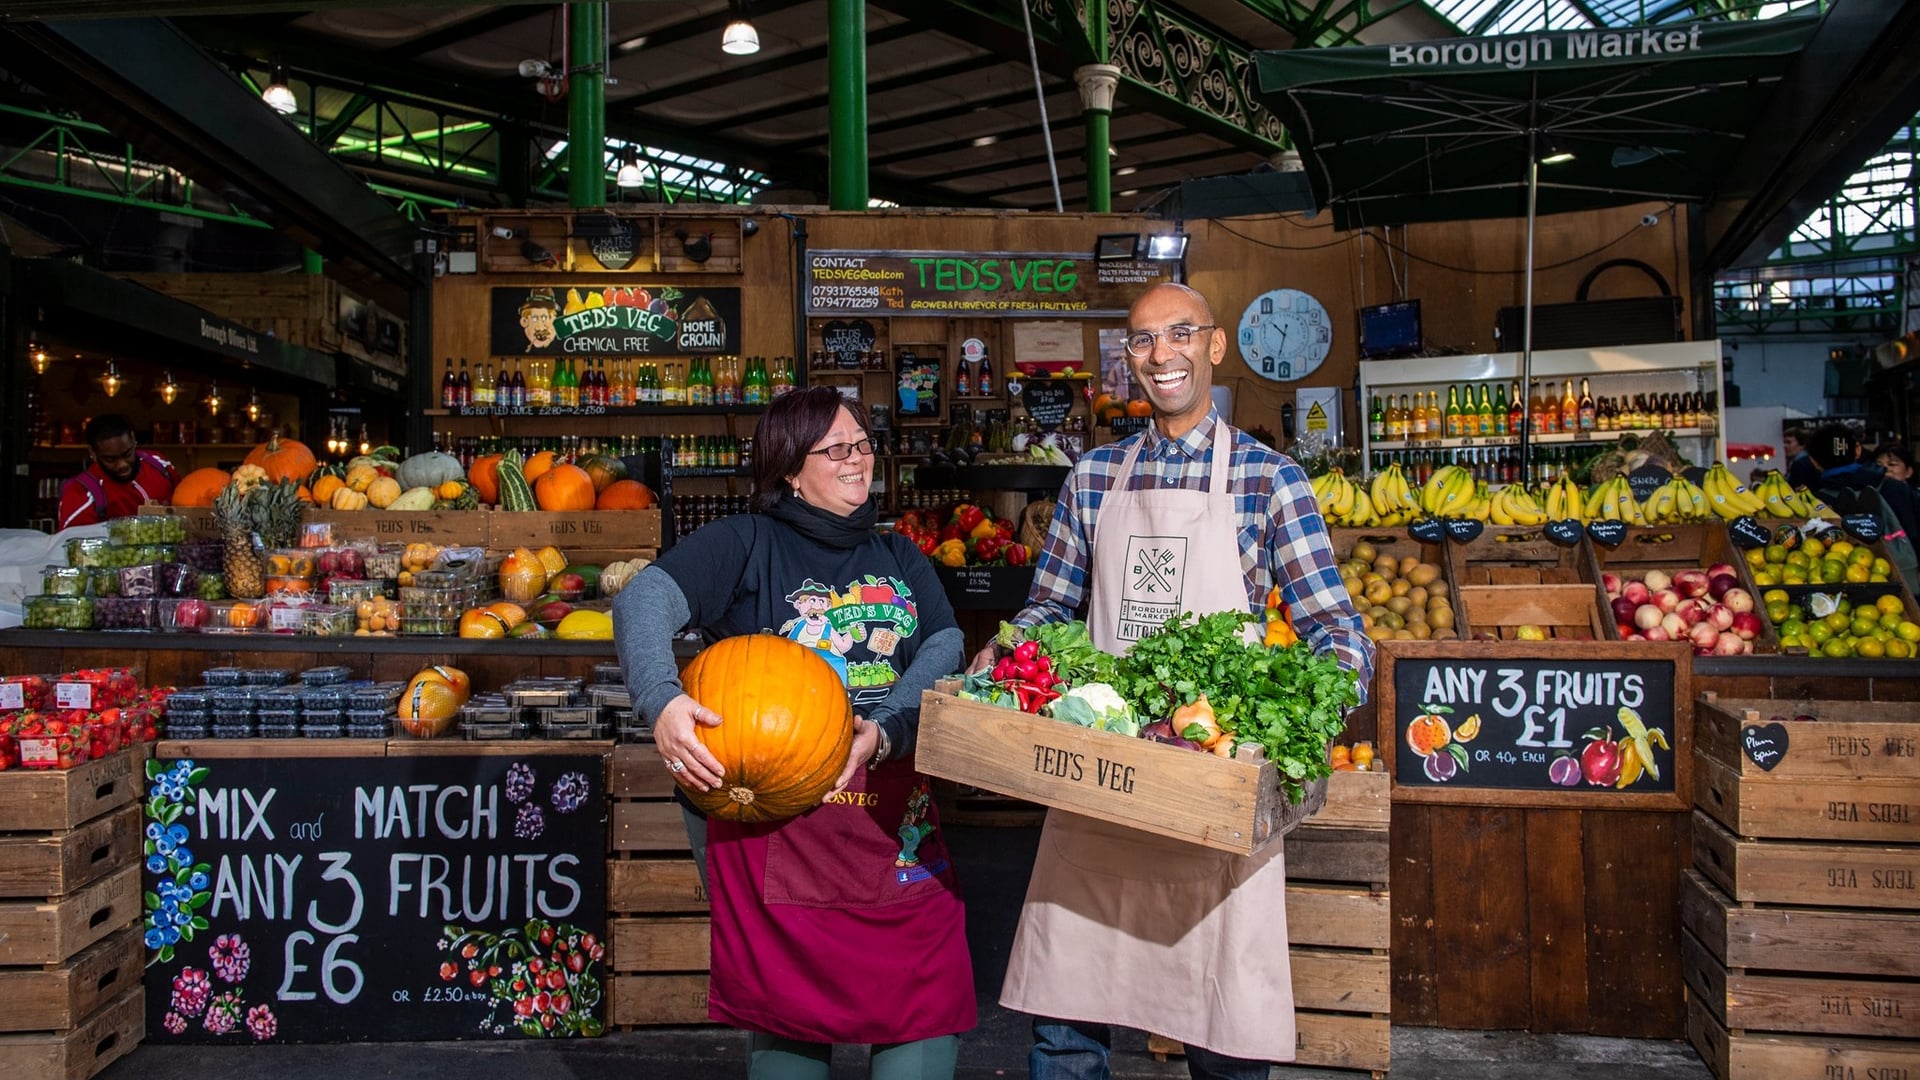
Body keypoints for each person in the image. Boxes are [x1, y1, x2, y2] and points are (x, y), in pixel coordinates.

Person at [970, 282, 1375, 1080]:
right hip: (1098, 778)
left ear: (1213, 347)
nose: (1161, 354)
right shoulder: (1093, 476)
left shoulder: (1270, 480)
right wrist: (1004, 654)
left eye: (1179, 334)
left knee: (1221, 1028)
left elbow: (1337, 630)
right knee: (1067, 1024)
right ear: (1129, 360)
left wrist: (1309, 708)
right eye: (1144, 341)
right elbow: (1050, 607)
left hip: (1210, 786)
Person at [611, 386, 974, 1079]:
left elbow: (944, 641)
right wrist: (660, 700)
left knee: (925, 996)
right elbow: (645, 600)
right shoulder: (744, 542)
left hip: (892, 823)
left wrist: (890, 727)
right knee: (790, 1020)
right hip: (778, 829)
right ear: (787, 467)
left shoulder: (897, 554)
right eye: (835, 448)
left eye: (862, 445)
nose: (857, 460)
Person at [57, 414, 179, 529]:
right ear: (93, 453)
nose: (122, 465)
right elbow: (72, 543)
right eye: (111, 459)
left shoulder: (160, 464)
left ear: (133, 439)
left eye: (127, 454)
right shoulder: (79, 493)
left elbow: (187, 505)